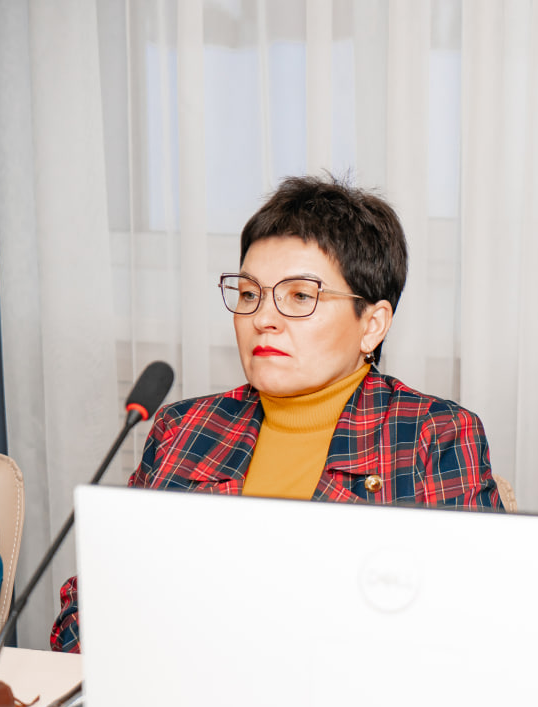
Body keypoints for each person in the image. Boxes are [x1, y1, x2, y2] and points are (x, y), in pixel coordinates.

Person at [50, 175, 502, 653]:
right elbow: (84, 614)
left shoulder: (433, 435)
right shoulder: (184, 429)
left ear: (372, 325)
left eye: (300, 296)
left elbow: (472, 629)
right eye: (249, 294)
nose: (263, 319)